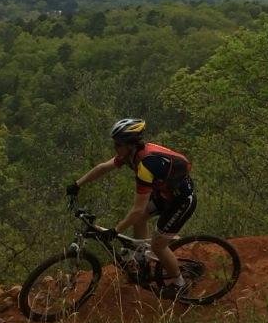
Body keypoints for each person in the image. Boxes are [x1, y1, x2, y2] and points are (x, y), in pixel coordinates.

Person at [66, 118, 197, 297]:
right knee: (141, 217)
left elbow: (136, 209)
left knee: (158, 245)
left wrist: (115, 230)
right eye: (114, 144)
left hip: (181, 201)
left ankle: (180, 283)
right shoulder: (130, 155)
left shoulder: (145, 165)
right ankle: (142, 258)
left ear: (129, 144)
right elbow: (103, 167)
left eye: (118, 144)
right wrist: (77, 184)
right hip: (165, 194)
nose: (115, 148)